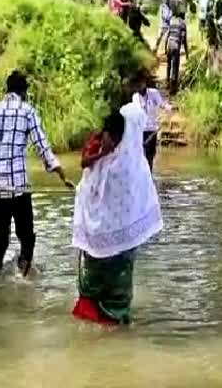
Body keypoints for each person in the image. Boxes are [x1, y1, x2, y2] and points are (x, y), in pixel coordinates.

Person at [71, 103, 163, 325]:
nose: (110, 141)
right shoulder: (134, 164)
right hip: (113, 244)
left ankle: (103, 314)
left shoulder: (126, 164)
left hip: (109, 242)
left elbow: (87, 192)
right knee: (113, 286)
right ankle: (112, 315)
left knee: (102, 282)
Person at [0, 71, 73, 276]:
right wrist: (60, 173)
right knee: (27, 237)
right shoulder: (27, 111)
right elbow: (42, 147)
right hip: (18, 187)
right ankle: (24, 274)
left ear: (7, 90)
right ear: (24, 92)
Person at [132, 72, 171, 171]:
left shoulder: (153, 93)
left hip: (152, 130)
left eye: (140, 84)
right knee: (140, 156)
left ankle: (149, 175)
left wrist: (168, 107)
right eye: (137, 85)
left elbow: (161, 104)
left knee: (150, 156)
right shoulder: (135, 97)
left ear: (144, 83)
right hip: (140, 131)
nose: (138, 87)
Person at [165, 10, 189, 95]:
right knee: (175, 68)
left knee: (168, 65)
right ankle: (173, 89)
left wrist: (165, 47)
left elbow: (167, 35)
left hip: (169, 45)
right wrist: (187, 54)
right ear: (183, 16)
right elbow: (184, 40)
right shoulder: (183, 24)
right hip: (176, 47)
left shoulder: (172, 22)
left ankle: (167, 83)